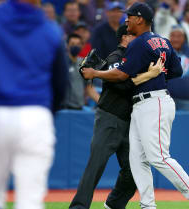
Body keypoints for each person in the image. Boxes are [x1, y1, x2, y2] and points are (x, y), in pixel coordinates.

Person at [82, 2, 189, 209]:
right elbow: (177, 71)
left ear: (140, 19)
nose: (126, 20)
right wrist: (153, 75)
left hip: (154, 102)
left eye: (130, 16)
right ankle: (148, 205)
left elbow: (121, 74)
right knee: (137, 160)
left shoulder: (139, 43)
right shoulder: (163, 41)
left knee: (159, 157)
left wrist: (95, 73)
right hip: (144, 103)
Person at [0, 0, 69, 208]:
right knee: (30, 200)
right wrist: (46, 114)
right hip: (36, 114)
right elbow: (62, 85)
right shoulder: (50, 28)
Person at [69, 24, 164, 209]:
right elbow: (123, 84)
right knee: (95, 166)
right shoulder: (116, 57)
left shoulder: (138, 59)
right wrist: (148, 75)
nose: (138, 39)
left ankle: (113, 205)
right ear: (124, 38)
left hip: (130, 123)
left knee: (133, 171)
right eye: (133, 35)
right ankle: (78, 207)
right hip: (109, 118)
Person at [62, 33, 99, 110]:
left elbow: (89, 88)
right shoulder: (61, 63)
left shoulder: (83, 64)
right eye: (72, 44)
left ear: (82, 46)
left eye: (78, 44)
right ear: (67, 46)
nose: (75, 46)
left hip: (79, 108)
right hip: (63, 108)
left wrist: (103, 103)